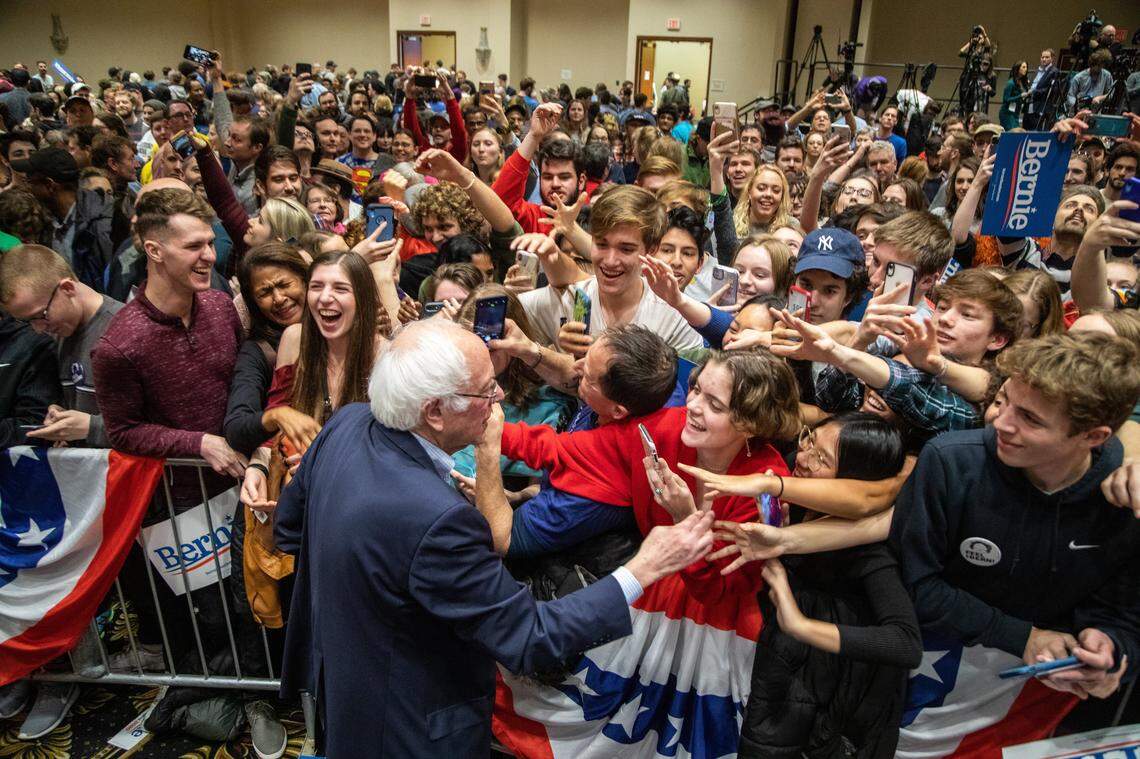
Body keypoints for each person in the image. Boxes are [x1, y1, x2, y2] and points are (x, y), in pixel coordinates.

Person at [273, 317, 715, 756]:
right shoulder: (440, 520)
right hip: (412, 724)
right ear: (434, 412)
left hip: (341, 689)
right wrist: (643, 568)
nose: (500, 396)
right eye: (485, 390)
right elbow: (530, 637)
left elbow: (290, 530)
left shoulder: (348, 423)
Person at [891, 332, 1140, 756]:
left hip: (1034, 706)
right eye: (1003, 400)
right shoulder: (951, 461)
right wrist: (1022, 637)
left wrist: (1110, 645)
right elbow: (910, 583)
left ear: (1093, 437)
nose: (1000, 422)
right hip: (919, 688)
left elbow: (1125, 611)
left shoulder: (1126, 498)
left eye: (1030, 419)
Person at [686, 412, 919, 757]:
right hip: (778, 689)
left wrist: (801, 624)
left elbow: (906, 644)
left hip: (829, 715)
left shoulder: (870, 553)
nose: (805, 458)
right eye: (810, 438)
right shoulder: (794, 484)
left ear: (853, 481)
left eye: (822, 459)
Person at [518, 185, 702, 353]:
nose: (610, 261)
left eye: (626, 249)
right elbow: (501, 321)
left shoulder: (676, 318)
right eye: (601, 245)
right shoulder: (568, 299)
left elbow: (689, 387)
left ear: (652, 250)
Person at [10, 146, 116, 292]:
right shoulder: (48, 221)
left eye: (31, 182)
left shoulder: (104, 222)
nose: (28, 188)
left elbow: (116, 285)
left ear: (49, 185)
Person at [492, 103, 584, 233]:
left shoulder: (597, 221)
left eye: (564, 177)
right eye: (547, 177)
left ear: (581, 181)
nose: (555, 184)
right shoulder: (534, 217)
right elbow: (499, 202)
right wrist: (534, 136)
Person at [1024, 49, 1060, 130]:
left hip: (1042, 104)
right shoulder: (1038, 70)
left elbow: (1051, 90)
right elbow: (1034, 84)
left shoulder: (1054, 71)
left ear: (1052, 58)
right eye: (1042, 57)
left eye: (1047, 57)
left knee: (1037, 129)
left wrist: (1034, 91)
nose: (1044, 59)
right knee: (1027, 128)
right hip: (1031, 102)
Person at [1001, 61, 1030, 131]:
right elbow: (1006, 99)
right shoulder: (1011, 83)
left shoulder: (1023, 82)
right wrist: (1020, 96)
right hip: (1007, 113)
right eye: (1023, 67)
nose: (1025, 69)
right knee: (1011, 134)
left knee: (1016, 133)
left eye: (1026, 67)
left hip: (1016, 113)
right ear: (1018, 69)